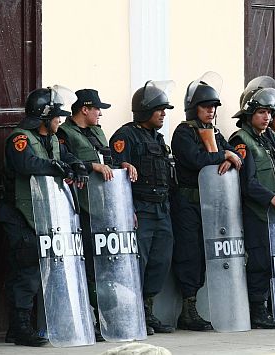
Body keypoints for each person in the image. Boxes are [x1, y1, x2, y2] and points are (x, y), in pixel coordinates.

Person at [0, 87, 87, 346]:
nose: (60, 120)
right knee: (27, 269)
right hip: (18, 214)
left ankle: (26, 326)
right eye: (57, 116)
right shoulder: (19, 139)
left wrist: (78, 165)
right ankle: (20, 327)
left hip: (42, 214)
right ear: (44, 117)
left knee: (39, 267)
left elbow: (65, 157)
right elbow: (27, 164)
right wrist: (56, 168)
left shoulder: (53, 139)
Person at [56, 88, 136, 341]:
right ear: (84, 109)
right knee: (89, 267)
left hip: (106, 208)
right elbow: (64, 160)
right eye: (97, 108)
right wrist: (92, 166)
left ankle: (108, 320)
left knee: (107, 269)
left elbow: (108, 160)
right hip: (82, 210)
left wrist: (121, 165)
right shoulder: (64, 133)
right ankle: (89, 319)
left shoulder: (98, 131)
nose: (100, 113)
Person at [169, 79, 242, 331]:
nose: (210, 110)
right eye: (205, 106)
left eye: (213, 106)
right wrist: (222, 155)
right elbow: (194, 158)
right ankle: (188, 309)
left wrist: (231, 158)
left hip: (210, 206)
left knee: (208, 254)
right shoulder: (183, 132)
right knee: (190, 255)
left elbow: (237, 153)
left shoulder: (215, 132)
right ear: (193, 107)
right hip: (187, 204)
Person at [229, 87, 275, 329]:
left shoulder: (271, 138)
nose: (267, 117)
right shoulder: (241, 140)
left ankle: (270, 306)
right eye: (261, 112)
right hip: (256, 212)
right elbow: (247, 183)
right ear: (250, 115)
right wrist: (272, 198)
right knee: (259, 261)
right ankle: (258, 310)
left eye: (269, 112)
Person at [109, 81, 176, 335]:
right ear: (145, 110)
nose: (163, 114)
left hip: (161, 209)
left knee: (160, 261)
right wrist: (128, 211)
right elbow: (116, 173)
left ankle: (147, 311)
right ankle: (132, 313)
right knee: (138, 262)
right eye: (159, 109)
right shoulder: (125, 136)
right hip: (140, 210)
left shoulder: (158, 139)